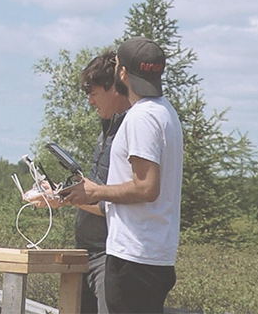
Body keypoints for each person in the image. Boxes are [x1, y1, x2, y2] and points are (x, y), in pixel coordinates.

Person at [62, 37, 183, 314]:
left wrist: (95, 191)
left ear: (124, 73)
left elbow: (147, 187)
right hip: (150, 255)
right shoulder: (165, 112)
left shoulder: (141, 117)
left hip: (134, 257)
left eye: (117, 64)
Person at [31, 51, 130, 313]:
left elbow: (113, 200)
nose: (89, 102)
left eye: (93, 93)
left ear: (114, 89)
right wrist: (60, 193)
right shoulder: (108, 130)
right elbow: (95, 190)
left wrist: (62, 199)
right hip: (87, 252)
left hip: (108, 255)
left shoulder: (129, 130)